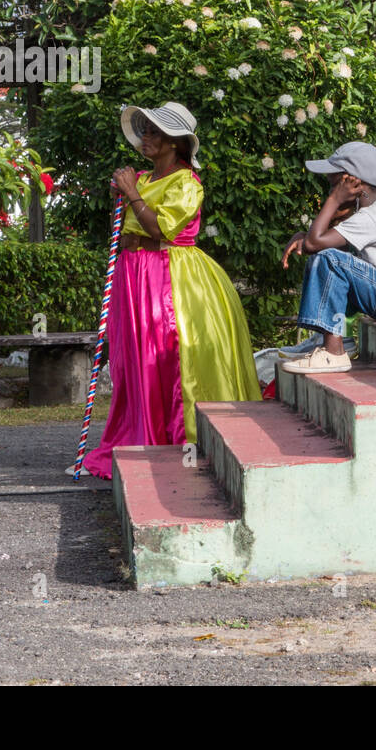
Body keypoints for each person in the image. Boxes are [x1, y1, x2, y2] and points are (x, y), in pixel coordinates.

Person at [75, 101, 261, 479]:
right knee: (134, 358)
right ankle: (142, 431)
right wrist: (123, 193)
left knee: (166, 356)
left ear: (176, 143)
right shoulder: (142, 179)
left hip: (171, 278)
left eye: (155, 132)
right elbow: (128, 226)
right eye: (145, 130)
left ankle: (179, 437)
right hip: (134, 276)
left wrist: (131, 194)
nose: (146, 137)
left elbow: (161, 230)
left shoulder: (187, 183)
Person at [277, 142, 376, 374]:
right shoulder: (375, 209)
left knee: (330, 260)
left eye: (334, 187)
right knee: (329, 256)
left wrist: (334, 200)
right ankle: (332, 338)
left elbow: (314, 243)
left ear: (355, 185)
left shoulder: (374, 217)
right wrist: (304, 235)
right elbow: (316, 240)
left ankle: (333, 353)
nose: (329, 193)